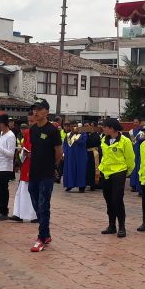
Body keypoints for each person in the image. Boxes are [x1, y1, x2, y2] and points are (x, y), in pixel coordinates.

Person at [25, 98, 61, 251]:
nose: (36, 112)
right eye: (34, 109)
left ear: (46, 111)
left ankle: (41, 237)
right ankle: (46, 233)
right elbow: (35, 149)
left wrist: (53, 166)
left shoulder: (52, 130)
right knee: (35, 201)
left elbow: (59, 152)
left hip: (46, 173)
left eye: (39, 109)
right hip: (34, 172)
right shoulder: (33, 129)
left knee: (43, 204)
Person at [97, 117, 134, 237]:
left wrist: (127, 172)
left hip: (119, 172)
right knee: (108, 200)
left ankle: (122, 226)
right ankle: (111, 225)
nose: (103, 129)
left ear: (112, 128)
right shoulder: (104, 139)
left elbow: (130, 158)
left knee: (117, 199)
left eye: (105, 127)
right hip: (106, 172)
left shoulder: (125, 141)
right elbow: (104, 156)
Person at [11, 111, 38, 224]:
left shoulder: (41, 132)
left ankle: (34, 215)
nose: (30, 123)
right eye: (29, 121)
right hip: (26, 163)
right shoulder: (27, 133)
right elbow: (25, 147)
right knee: (22, 189)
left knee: (32, 190)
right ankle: (18, 213)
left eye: (32, 121)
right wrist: (24, 153)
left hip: (36, 164)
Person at [0, 115, 16, 220]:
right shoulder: (0, 134)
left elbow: (11, 154)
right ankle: (0, 207)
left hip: (5, 166)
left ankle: (4, 210)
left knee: (3, 188)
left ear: (4, 124)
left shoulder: (11, 136)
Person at [62, 122, 89, 193]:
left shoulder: (82, 134)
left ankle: (81, 186)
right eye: (72, 126)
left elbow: (83, 141)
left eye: (75, 126)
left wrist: (76, 135)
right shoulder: (67, 135)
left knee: (81, 170)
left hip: (80, 156)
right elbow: (65, 145)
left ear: (77, 126)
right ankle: (69, 185)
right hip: (70, 156)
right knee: (70, 170)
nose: (73, 128)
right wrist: (65, 153)